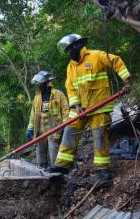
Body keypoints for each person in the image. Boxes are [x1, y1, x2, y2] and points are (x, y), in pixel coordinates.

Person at [49, 34, 131, 187]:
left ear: (76, 46)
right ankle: (62, 165)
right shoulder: (71, 66)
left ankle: (102, 170)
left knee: (99, 137)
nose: (68, 52)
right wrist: (75, 105)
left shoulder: (96, 56)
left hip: (98, 106)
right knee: (69, 131)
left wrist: (126, 79)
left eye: (69, 49)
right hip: (80, 108)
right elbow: (70, 87)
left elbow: (116, 60)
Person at [27, 70, 70, 169]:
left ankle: (56, 169)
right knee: (39, 150)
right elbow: (33, 113)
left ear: (46, 83)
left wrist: (65, 125)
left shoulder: (58, 94)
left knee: (53, 149)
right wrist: (30, 128)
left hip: (54, 128)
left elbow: (65, 110)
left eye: (40, 83)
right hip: (39, 129)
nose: (38, 86)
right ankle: (41, 169)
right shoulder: (37, 97)